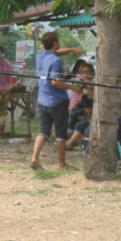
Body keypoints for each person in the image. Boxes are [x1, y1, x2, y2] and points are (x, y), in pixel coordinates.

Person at [30, 32, 84, 170]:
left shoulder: (41, 55)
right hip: (57, 102)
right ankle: (62, 164)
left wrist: (72, 49)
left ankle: (35, 158)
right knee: (60, 134)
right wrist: (74, 88)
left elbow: (56, 53)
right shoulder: (56, 61)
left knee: (43, 131)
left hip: (43, 101)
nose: (59, 43)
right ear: (55, 42)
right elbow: (55, 82)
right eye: (58, 41)